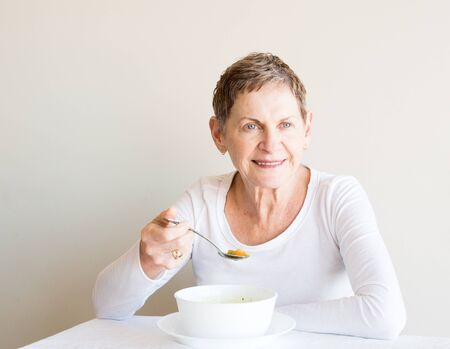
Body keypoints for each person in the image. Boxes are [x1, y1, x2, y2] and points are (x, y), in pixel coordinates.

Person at [93, 52, 406, 339]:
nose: (271, 143)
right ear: (219, 134)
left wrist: (246, 319)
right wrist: (147, 261)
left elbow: (386, 315)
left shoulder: (336, 197)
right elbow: (108, 307)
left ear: (306, 130)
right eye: (251, 126)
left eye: (285, 124)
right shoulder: (204, 200)